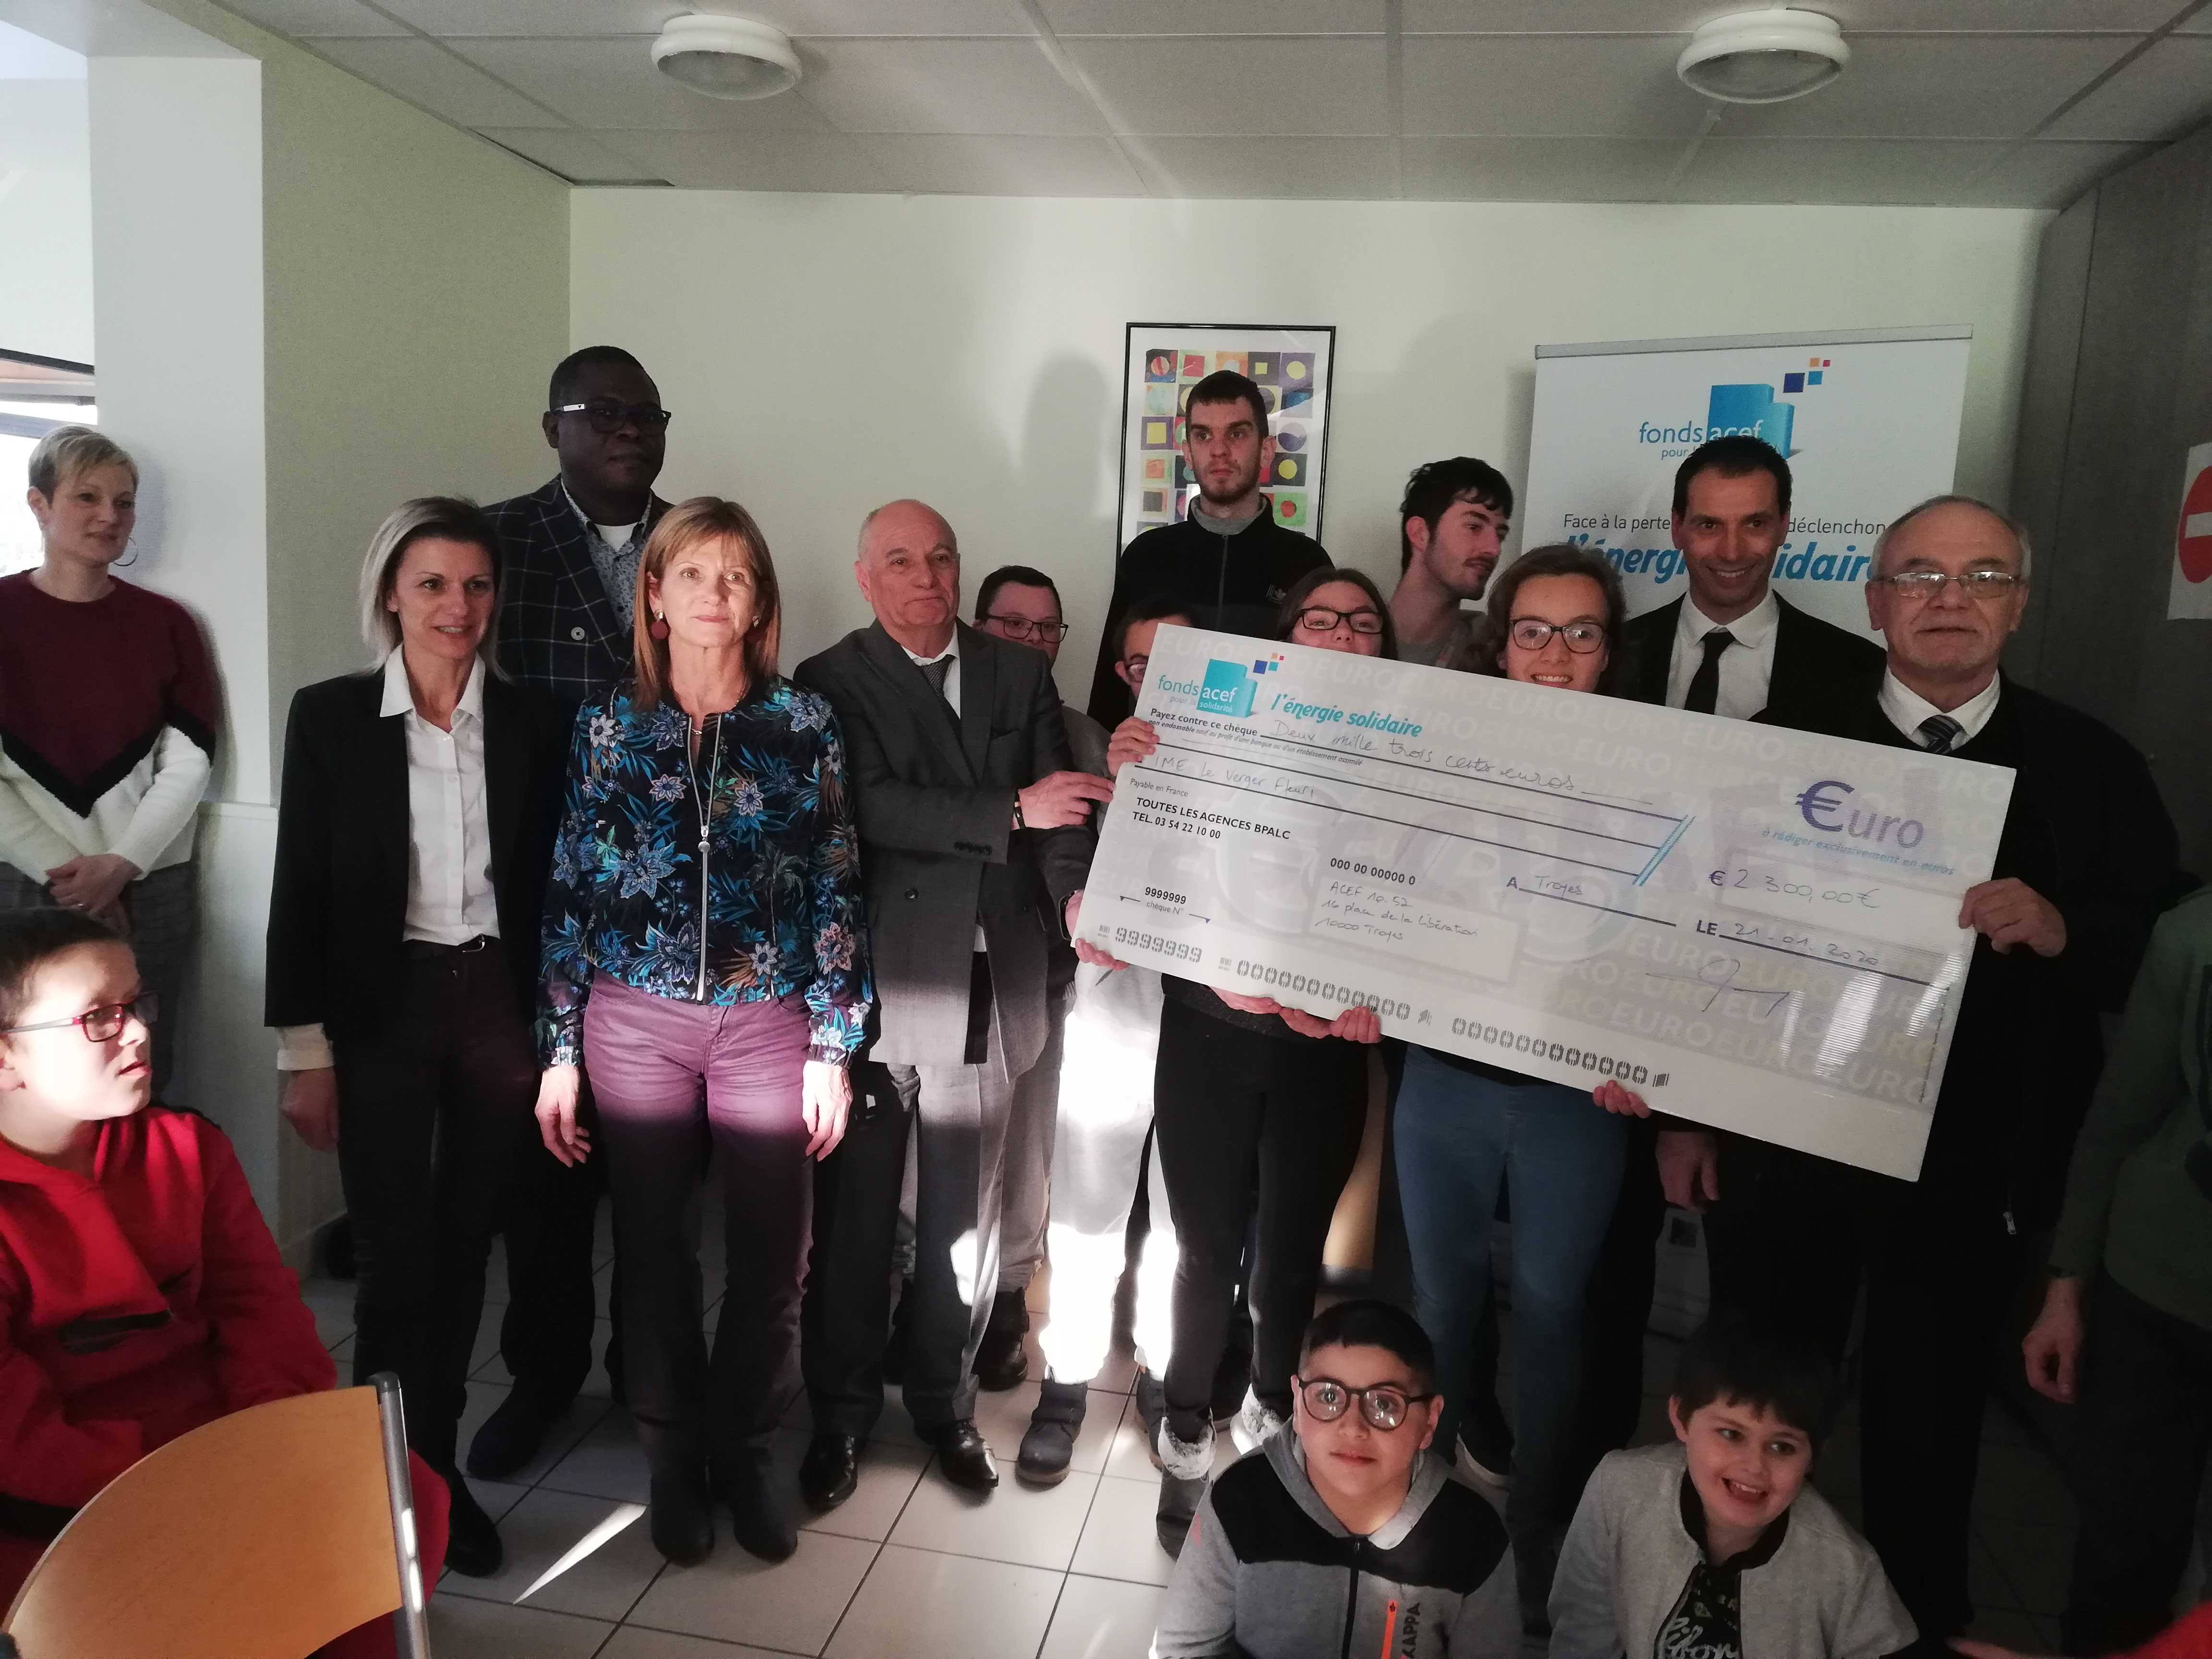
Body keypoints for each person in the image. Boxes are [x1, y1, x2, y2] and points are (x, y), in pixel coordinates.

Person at [1657, 496, 2181, 1648]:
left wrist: (2064, 928)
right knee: (1760, 1389)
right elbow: (1696, 925)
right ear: (1876, 600)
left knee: (1929, 1409)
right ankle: (1730, 1608)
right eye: (1922, 576)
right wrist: (1682, 1115)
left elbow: (2165, 950)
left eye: (1983, 575)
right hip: (1785, 1134)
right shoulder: (1779, 739)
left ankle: (1913, 1624)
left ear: (2019, 603)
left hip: (1973, 1157)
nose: (1952, 599)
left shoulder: (2089, 764)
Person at [532, 497, 870, 1566]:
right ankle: (671, 1457)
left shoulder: (803, 722)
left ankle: (745, 1449)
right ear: (656, 596)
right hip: (633, 1025)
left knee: (775, 1254)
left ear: (759, 601)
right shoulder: (606, 724)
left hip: (768, 1022)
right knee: (654, 1251)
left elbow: (836, 879)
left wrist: (832, 1045)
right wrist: (558, 1049)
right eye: (692, 573)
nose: (714, 593)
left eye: (735, 576)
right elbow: (572, 886)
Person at [0, 907, 449, 1659]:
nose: (138, 1031)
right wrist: (188, 1489)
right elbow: (21, 1444)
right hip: (74, 1500)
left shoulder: (185, 1148)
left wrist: (265, 1448)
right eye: (98, 1018)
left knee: (406, 1497)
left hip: (225, 1444)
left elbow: (261, 1312)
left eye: (136, 1003)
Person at [265, 497, 568, 1577]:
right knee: (394, 1262)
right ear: (391, 594)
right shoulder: (332, 717)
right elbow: (301, 888)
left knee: (467, 1247)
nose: (458, 606)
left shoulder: (535, 721)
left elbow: (557, 893)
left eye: (476, 585)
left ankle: (434, 1476)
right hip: (381, 1008)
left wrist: (563, 1039)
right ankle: (377, 1486)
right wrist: (305, 1053)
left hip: (495, 1004)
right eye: (433, 583)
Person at [1581, 435, 1887, 1470]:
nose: (1729, 547)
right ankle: (1604, 1480)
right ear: (1676, 528)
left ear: (1785, 527)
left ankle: (1748, 1495)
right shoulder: (1612, 656)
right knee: (1602, 1278)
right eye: (1707, 523)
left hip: (1768, 1039)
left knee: (1769, 1304)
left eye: (1753, 523)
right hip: (1614, 1018)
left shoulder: (1855, 676)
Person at [793, 500, 1105, 1503]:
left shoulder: (1018, 671)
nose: (926, 578)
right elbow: (869, 805)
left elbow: (1064, 810)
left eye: (940, 558)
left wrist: (1074, 895)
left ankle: (944, 1404)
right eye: (901, 561)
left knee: (964, 1232)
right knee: (855, 1230)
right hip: (880, 992)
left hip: (994, 985)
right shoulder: (830, 679)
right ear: (865, 577)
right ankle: (839, 1419)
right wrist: (1008, 809)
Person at [1391, 542, 1649, 1624]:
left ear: (1607, 651)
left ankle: (1539, 1527)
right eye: (1533, 632)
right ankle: (1434, 1500)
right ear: (1500, 645)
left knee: (1551, 1309)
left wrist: (1661, 1060)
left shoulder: (1659, 767)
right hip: (1444, 1077)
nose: (1554, 655)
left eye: (1580, 634)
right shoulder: (1441, 748)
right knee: (1442, 1299)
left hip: (1572, 1102)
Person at [1111, 565, 1389, 1553]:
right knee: (1202, 1248)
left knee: (1289, 1258)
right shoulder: (1205, 728)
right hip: (1208, 1034)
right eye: (1320, 618)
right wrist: (1134, 762)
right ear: (1286, 637)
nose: (1340, 635)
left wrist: (1390, 1001)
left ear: (1384, 647)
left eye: (1362, 623)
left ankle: (1272, 1417)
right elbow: (1155, 871)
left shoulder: (1415, 764)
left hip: (1323, 1054)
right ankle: (1187, 1429)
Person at [471, 345, 673, 1481]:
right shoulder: (495, 544)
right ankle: (543, 1374)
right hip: (536, 902)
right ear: (552, 426)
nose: (626, 427)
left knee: (656, 1174)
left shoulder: (700, 544)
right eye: (602, 410)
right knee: (543, 1168)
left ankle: (653, 1378)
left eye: (644, 411)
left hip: (674, 915)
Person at [1016, 595, 1194, 1486]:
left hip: (1213, 1016)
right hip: (1115, 997)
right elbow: (1066, 853)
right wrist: (1125, 790)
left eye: (1182, 659)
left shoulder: (1258, 757)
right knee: (1088, 1203)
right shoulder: (1088, 742)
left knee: (1183, 1218)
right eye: (1144, 664)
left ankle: (1164, 1373)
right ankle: (1067, 1380)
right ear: (1123, 674)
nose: (1162, 679)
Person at [2019, 884, 2212, 1655]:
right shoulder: (2192, 932)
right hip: (2155, 1294)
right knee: (2121, 1566)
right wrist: (2064, 1290)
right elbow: (2119, 1119)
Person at [0, 426, 215, 1103]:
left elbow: (190, 760)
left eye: (124, 502)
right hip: (27, 884)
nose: (109, 517)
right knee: (28, 1074)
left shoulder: (168, 624)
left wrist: (122, 865)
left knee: (143, 1066)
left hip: (150, 886)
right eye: (87, 497)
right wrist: (72, 879)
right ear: (39, 503)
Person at [1151, 1298, 1517, 1659]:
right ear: (1297, 1404)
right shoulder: (1236, 1501)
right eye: (1328, 1396)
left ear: (1430, 1421)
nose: (1353, 1427)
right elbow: (1183, 1649)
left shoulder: (1475, 1534)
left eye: (1385, 1403)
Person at [1549, 1314, 1916, 1659]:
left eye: (1782, 1447)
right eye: (1731, 1434)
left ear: (1813, 1458)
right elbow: (1583, 1638)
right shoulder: (1619, 1492)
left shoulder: (1848, 1571)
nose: (1754, 1467)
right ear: (1681, 1418)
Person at [952, 562, 1103, 1395]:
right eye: (1014, 625)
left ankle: (1009, 1295)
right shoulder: (943, 714)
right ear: (978, 628)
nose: (1033, 642)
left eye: (1047, 629)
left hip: (1039, 971)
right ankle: (932, 1296)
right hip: (939, 969)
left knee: (1026, 1144)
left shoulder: (1083, 734)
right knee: (934, 1155)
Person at [1086, 370, 1329, 728]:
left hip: (1268, 759)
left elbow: (1326, 689)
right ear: (1188, 452)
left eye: (1237, 433)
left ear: (1266, 450)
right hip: (1156, 757)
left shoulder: (1308, 564)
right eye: (1203, 435)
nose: (1219, 450)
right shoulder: (1145, 557)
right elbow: (1110, 690)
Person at [1385, 456, 1514, 670]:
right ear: (1420, 533)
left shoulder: (1496, 652)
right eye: (1474, 527)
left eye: (1500, 536)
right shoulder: (1345, 635)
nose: (1494, 549)